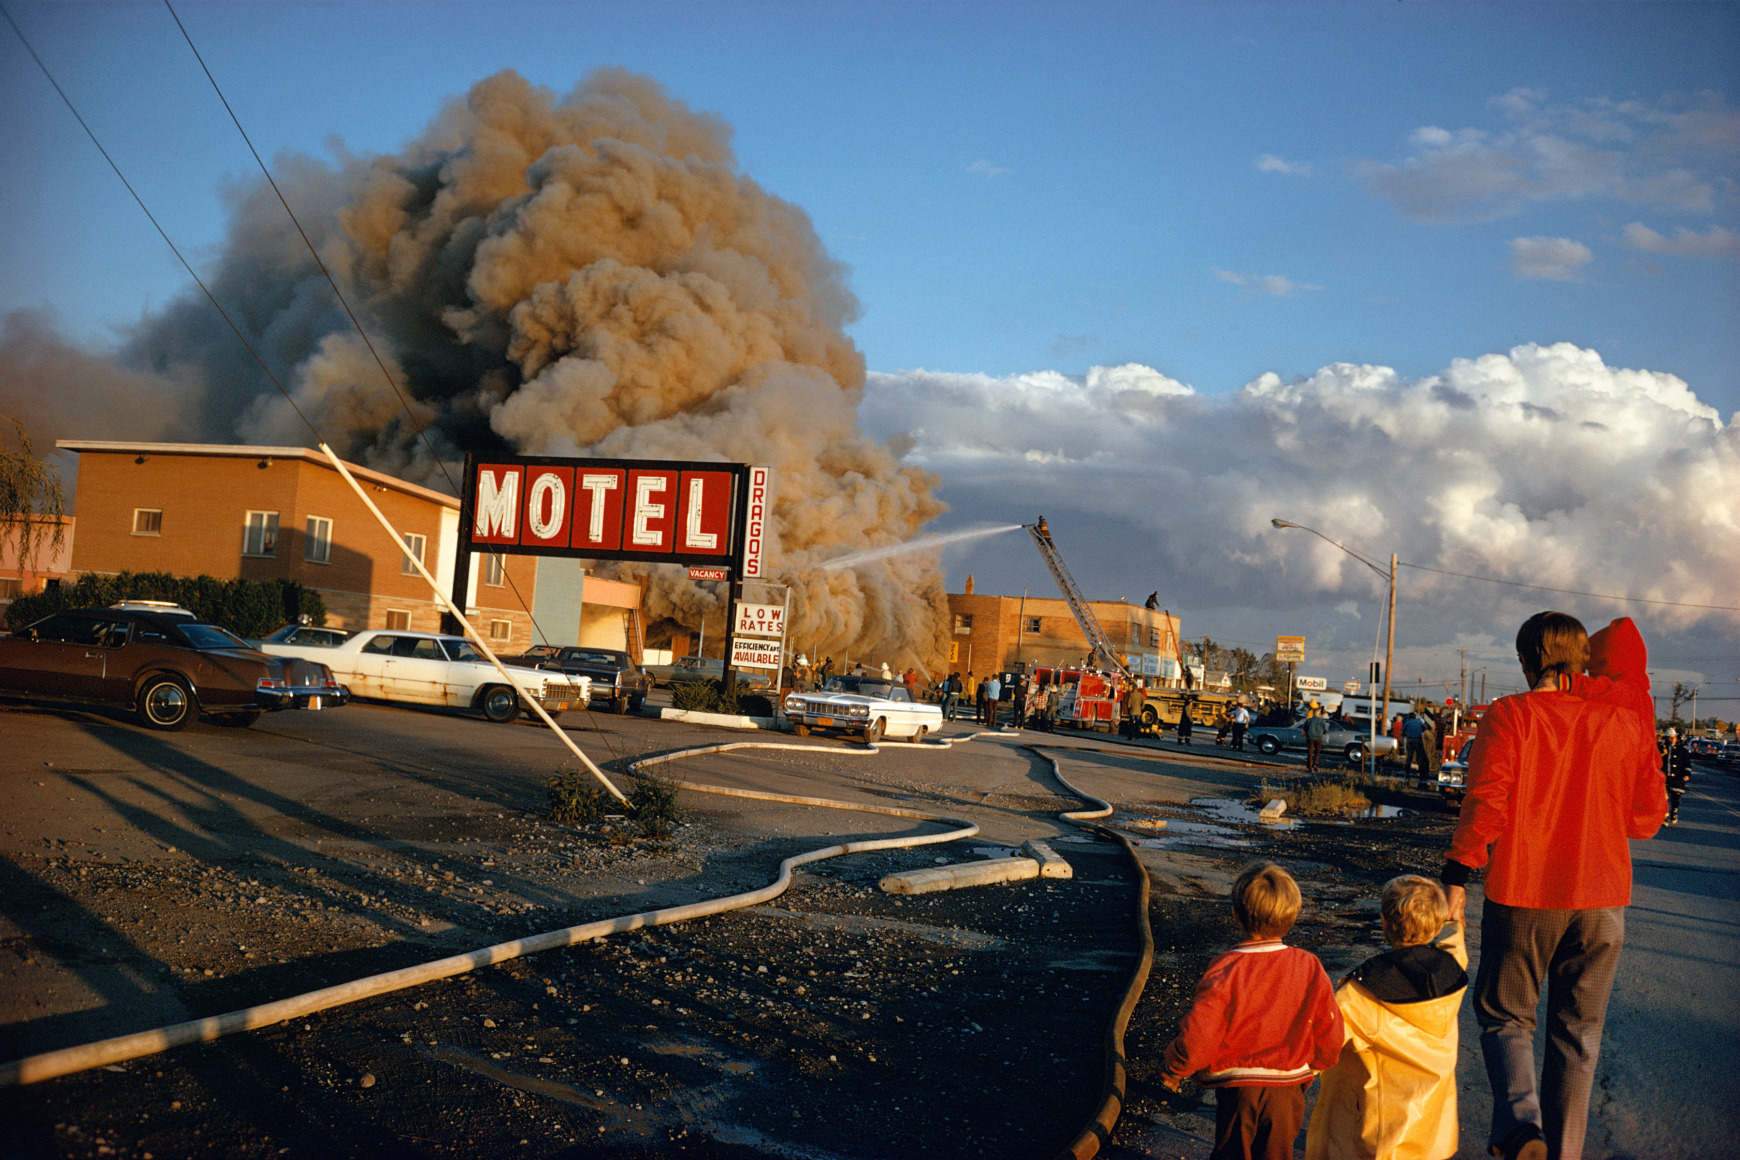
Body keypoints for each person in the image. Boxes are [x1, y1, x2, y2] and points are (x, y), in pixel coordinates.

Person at [1442, 612, 1666, 1160]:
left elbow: (1487, 802)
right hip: (1604, 901)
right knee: (1579, 1035)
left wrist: (1456, 873)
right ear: (1581, 660)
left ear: (1526, 660)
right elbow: (1648, 818)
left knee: (1504, 1015)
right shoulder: (1624, 722)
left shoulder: (1510, 715)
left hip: (1525, 891)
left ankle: (1522, 1128)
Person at [1159, 862, 1344, 1160]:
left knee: (1233, 1152)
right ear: (1292, 916)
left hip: (1239, 1086)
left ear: (1236, 914)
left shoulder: (1226, 968)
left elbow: (1202, 1033)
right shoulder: (1308, 965)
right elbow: (1329, 1024)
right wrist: (1322, 1060)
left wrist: (1176, 1066)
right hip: (1288, 1085)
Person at [1305, 875, 1468, 1160]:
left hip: (1383, 1140)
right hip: (1431, 1138)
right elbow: (1455, 946)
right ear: (1437, 924)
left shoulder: (1364, 995)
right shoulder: (1451, 971)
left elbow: (1321, 1044)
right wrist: (1454, 922)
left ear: (1384, 922)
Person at [1666, 730, 1691, 825]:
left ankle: (1674, 811)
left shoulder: (1682, 750)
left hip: (1678, 778)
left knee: (1676, 798)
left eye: (1674, 738)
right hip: (1665, 777)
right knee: (1664, 798)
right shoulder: (1663, 749)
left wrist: (1686, 774)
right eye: (1670, 738)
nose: (1672, 740)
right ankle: (1665, 815)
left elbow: (1687, 764)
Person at [1403, 711, 1430, 784]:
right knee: (1419, 756)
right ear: (1415, 716)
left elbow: (1403, 730)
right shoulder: (1418, 721)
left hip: (1409, 740)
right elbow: (1424, 728)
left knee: (1409, 757)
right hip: (1418, 740)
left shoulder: (1407, 722)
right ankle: (1421, 774)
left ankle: (1407, 773)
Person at [1303, 708, 1329, 773]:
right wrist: (1323, 733)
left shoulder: (1309, 720)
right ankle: (1315, 765)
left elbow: (1305, 729)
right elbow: (1326, 730)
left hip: (1310, 738)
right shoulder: (1322, 721)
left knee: (1310, 752)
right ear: (1319, 713)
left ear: (1313, 713)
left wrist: (1306, 735)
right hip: (1318, 738)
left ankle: (1310, 767)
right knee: (1317, 752)